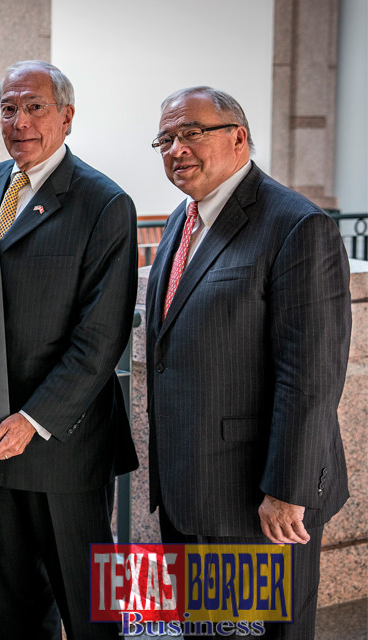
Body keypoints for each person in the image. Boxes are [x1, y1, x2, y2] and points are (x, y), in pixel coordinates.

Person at [146, 86, 350, 637]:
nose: (176, 148)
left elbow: (310, 375)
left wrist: (287, 489)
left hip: (256, 499)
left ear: (238, 137)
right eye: (165, 138)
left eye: (192, 132)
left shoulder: (296, 225)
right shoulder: (180, 222)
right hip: (190, 491)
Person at [0, 60, 138, 639]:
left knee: (88, 611)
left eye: (34, 107)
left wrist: (34, 420)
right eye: (8, 108)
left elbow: (102, 337)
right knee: (11, 607)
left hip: (63, 448)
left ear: (66, 116)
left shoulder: (105, 203)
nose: (20, 121)